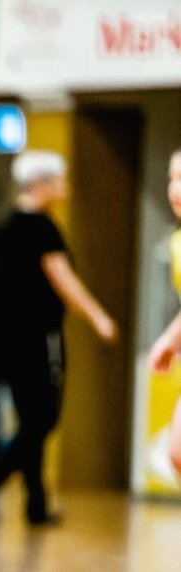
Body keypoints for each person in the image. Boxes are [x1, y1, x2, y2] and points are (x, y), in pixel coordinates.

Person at [0, 151, 118, 526]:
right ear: (40, 182)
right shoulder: (41, 228)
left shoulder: (5, 227)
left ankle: (35, 505)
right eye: (60, 179)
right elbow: (63, 279)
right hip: (38, 339)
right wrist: (99, 318)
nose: (65, 187)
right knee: (43, 420)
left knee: (29, 420)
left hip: (6, 342)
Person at [148, 148, 181, 475]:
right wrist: (170, 341)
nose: (175, 188)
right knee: (177, 452)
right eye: (172, 178)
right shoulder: (177, 243)